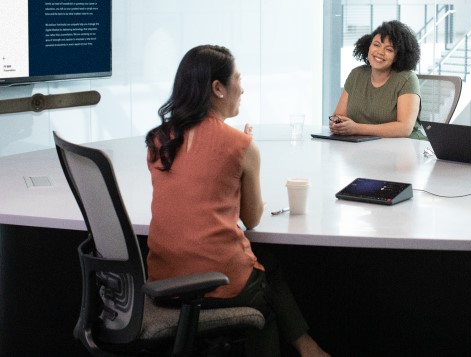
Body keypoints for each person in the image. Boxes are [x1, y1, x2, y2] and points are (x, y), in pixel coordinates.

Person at [145, 45, 329, 357]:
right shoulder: (240, 145)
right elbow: (253, 219)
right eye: (238, 79)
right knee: (263, 304)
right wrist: (244, 153)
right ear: (218, 88)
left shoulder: (160, 140)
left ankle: (308, 347)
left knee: (267, 264)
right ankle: (307, 348)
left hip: (163, 280)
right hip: (216, 281)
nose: (242, 88)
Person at [330, 20, 425, 139]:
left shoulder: (407, 79)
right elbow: (339, 115)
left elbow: (404, 128)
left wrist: (356, 128)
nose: (380, 52)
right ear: (368, 46)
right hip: (362, 146)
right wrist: (337, 123)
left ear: (398, 56)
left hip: (403, 148)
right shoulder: (356, 74)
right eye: (376, 45)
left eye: (389, 49)